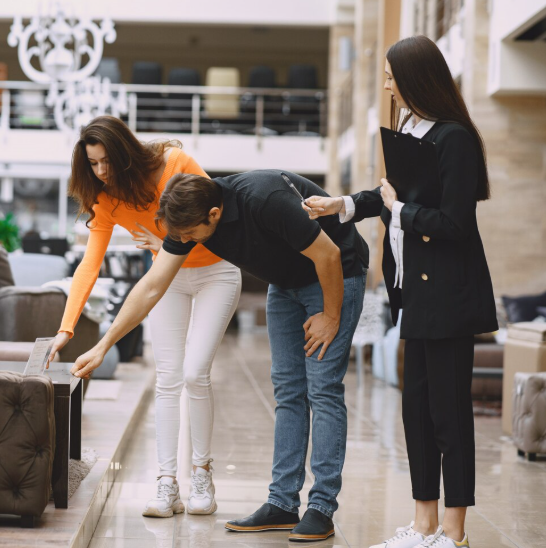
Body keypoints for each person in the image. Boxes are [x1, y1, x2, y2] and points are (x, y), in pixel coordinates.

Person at [71, 169, 370, 543]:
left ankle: (321, 508)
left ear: (213, 215)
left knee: (322, 389)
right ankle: (282, 503)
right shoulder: (189, 217)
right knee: (289, 391)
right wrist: (103, 345)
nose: (184, 241)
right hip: (287, 284)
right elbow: (150, 287)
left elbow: (328, 253)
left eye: (189, 235)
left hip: (334, 275)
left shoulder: (265, 200)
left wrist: (330, 315)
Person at [304, 36, 497, 548]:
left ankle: (453, 532)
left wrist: (400, 211)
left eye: (391, 77)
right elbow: (389, 197)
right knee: (417, 413)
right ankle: (424, 524)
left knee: (448, 416)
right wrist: (342, 204)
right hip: (414, 293)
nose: (386, 85)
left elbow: (454, 221)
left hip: (450, 294)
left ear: (416, 78)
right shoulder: (411, 130)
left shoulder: (453, 137)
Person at [49, 116, 242, 518]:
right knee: (167, 378)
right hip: (166, 278)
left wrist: (169, 241)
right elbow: (90, 264)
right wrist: (67, 327)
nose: (101, 172)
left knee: (194, 373)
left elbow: (217, 216)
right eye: (93, 164)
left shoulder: (173, 164)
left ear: (122, 153)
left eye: (105, 161)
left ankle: (202, 473)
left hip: (216, 272)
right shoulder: (106, 201)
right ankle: (167, 482)